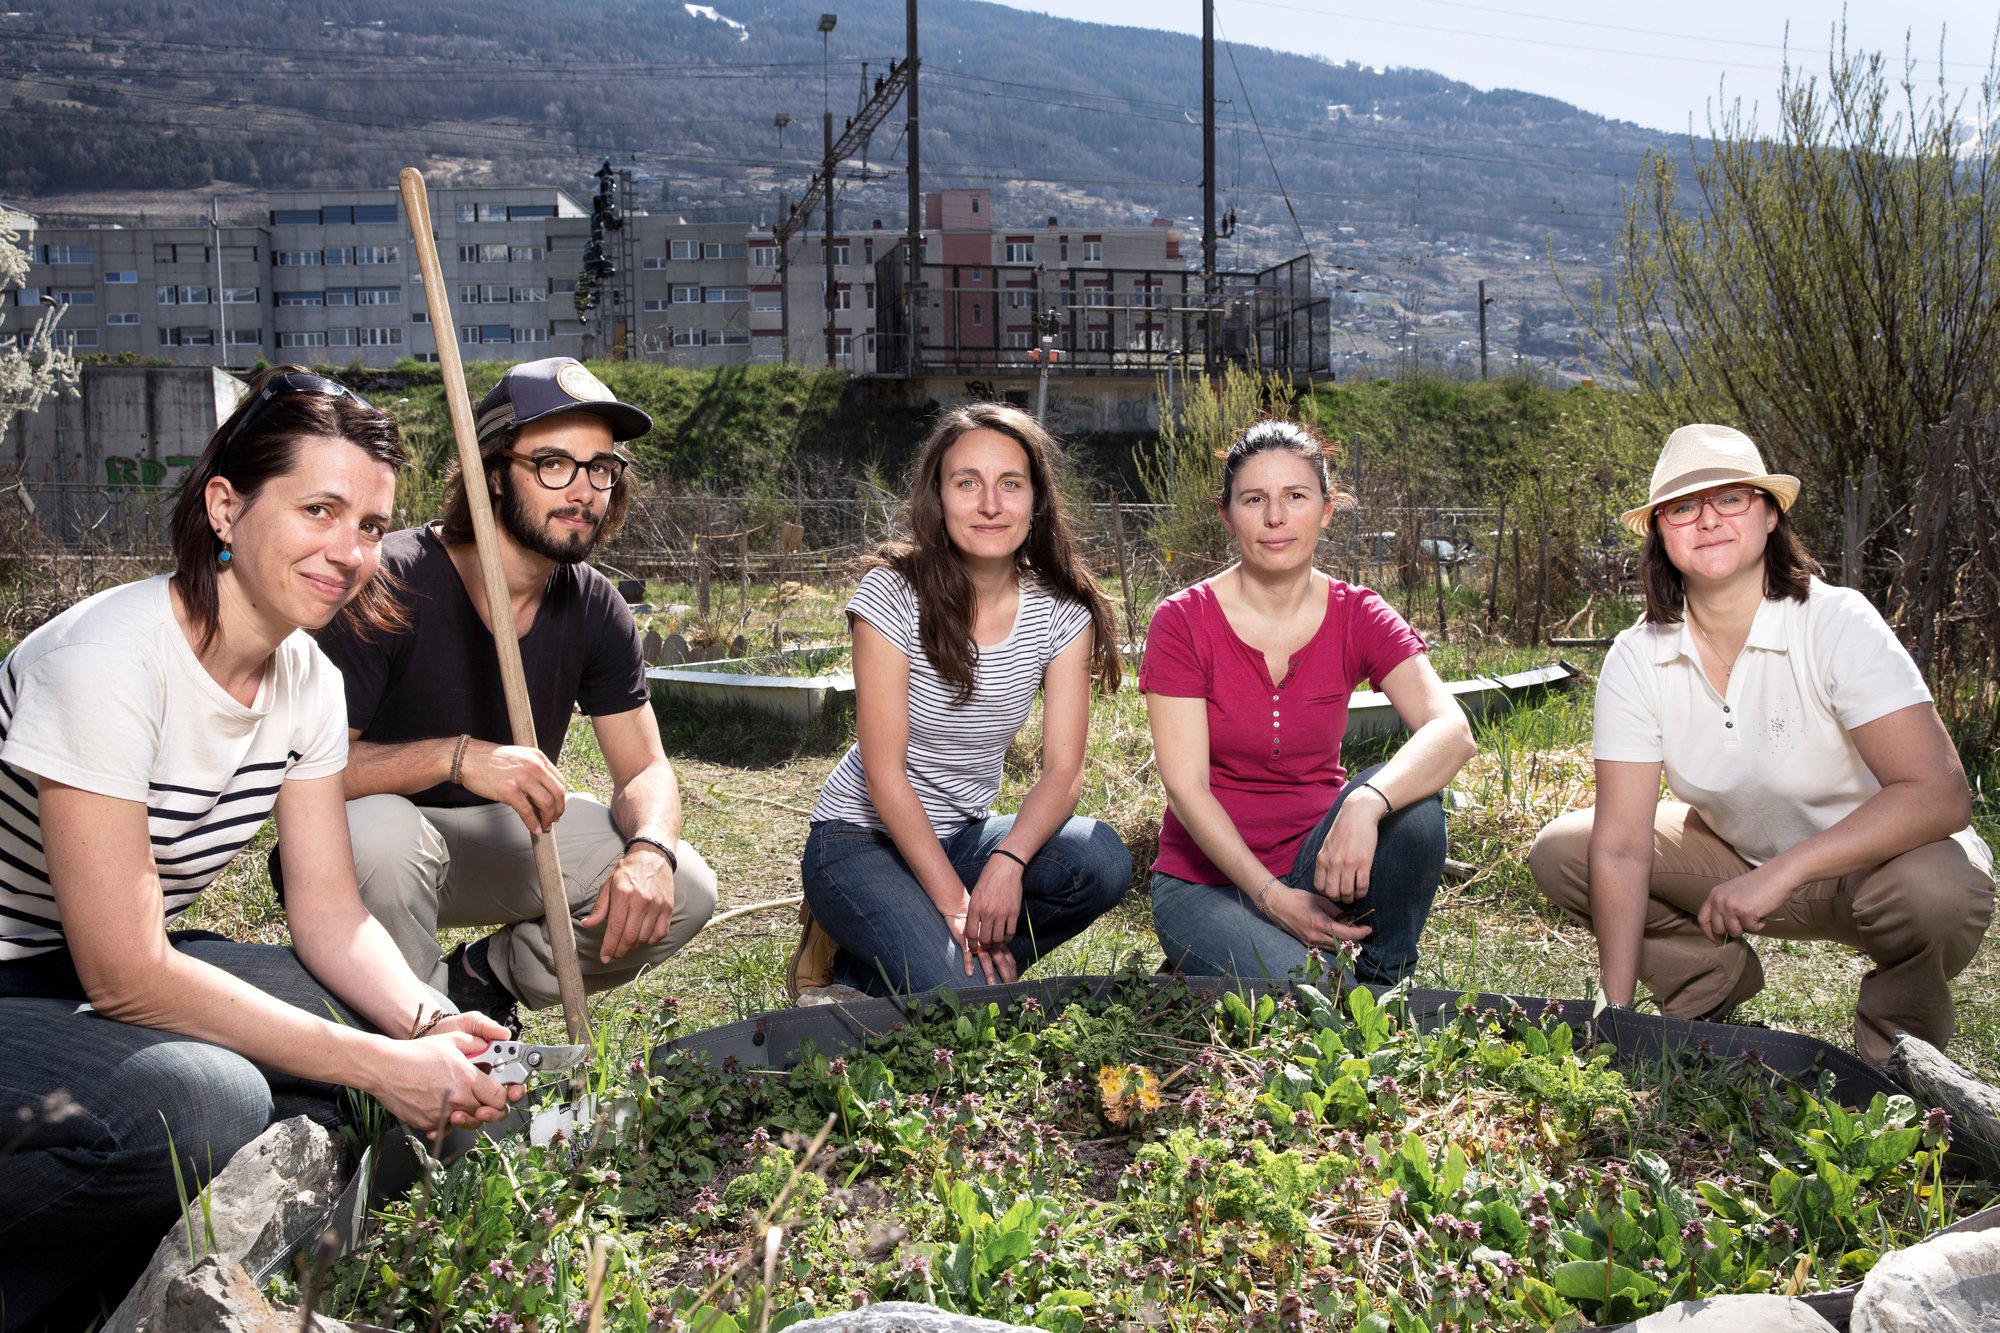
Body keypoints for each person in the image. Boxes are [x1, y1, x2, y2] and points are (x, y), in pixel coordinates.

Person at [0, 368, 522, 1331]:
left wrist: (427, 1019)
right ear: (226, 507)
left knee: (349, 1011)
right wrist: (376, 1063)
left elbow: (328, 912)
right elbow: (124, 974)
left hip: (91, 956)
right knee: (205, 1098)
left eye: (370, 524)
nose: (350, 551)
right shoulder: (108, 662)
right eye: (319, 509)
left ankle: (183, 1244)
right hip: (30, 972)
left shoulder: (307, 683)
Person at [1530, 424, 1994, 1064]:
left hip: (1878, 869)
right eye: (1683, 507)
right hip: (1736, 864)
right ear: (1661, 531)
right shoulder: (1638, 655)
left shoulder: (1835, 622)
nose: (1708, 520)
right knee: (1565, 851)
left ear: (1771, 514)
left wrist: (1786, 873)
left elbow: (1940, 796)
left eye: (1731, 499)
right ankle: (1704, 981)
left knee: (1936, 892)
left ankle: (1893, 1066)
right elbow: (1622, 844)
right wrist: (1616, 1015)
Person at [311, 357, 715, 1033]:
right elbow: (314, 774)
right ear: (493, 474)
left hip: (492, 842)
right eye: (553, 463)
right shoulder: (390, 582)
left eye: (600, 467)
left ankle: (481, 980)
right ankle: (419, 1039)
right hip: (364, 845)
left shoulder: (594, 606)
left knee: (686, 885)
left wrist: (648, 853)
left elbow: (645, 768)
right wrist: (460, 757)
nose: (584, 489)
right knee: (380, 833)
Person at [798, 403, 1133, 997]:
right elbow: (883, 772)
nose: (989, 504)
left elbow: (1063, 771)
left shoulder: (1061, 614)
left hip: (963, 839)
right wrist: (957, 905)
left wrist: (1009, 863)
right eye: (967, 483)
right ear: (939, 497)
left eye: (1010, 484)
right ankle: (905, 953)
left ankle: (899, 970)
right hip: (858, 841)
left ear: (1036, 501)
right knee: (960, 1002)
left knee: (1100, 860)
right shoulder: (892, 594)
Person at [1143, 419, 1475, 984]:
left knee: (1413, 806)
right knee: (1314, 1000)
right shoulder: (1182, 621)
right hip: (1205, 883)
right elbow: (1186, 787)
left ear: (1326, 508)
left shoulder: (1359, 613)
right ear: (1227, 515)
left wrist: (1365, 802)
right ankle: (1232, 955)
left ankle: (1384, 980)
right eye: (1255, 500)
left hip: (1320, 866)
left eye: (1296, 496)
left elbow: (1452, 730)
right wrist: (1272, 898)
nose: (1276, 518)